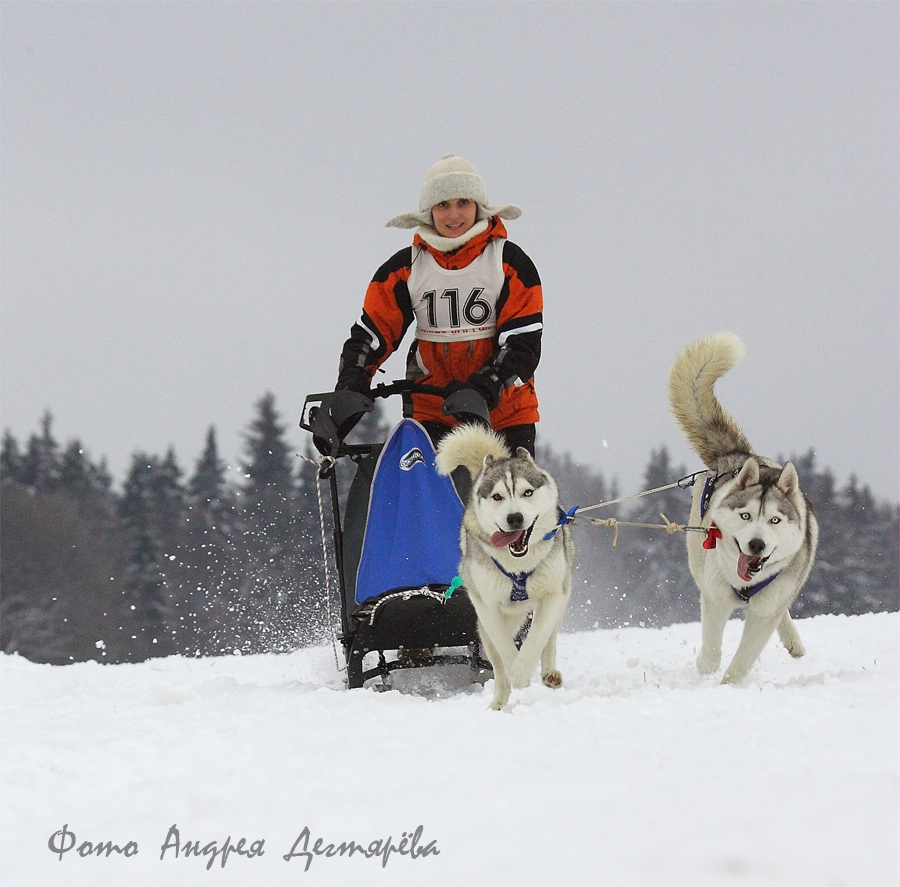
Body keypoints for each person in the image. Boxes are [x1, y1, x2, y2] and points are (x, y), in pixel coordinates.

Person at [335, 154, 543, 455]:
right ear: (429, 211)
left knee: (505, 500)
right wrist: (350, 385)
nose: (453, 215)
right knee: (431, 502)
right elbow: (370, 337)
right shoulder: (405, 269)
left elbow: (522, 345)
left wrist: (485, 386)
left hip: (504, 415)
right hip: (433, 414)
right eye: (443, 205)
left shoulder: (509, 263)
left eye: (463, 203)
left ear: (478, 206)